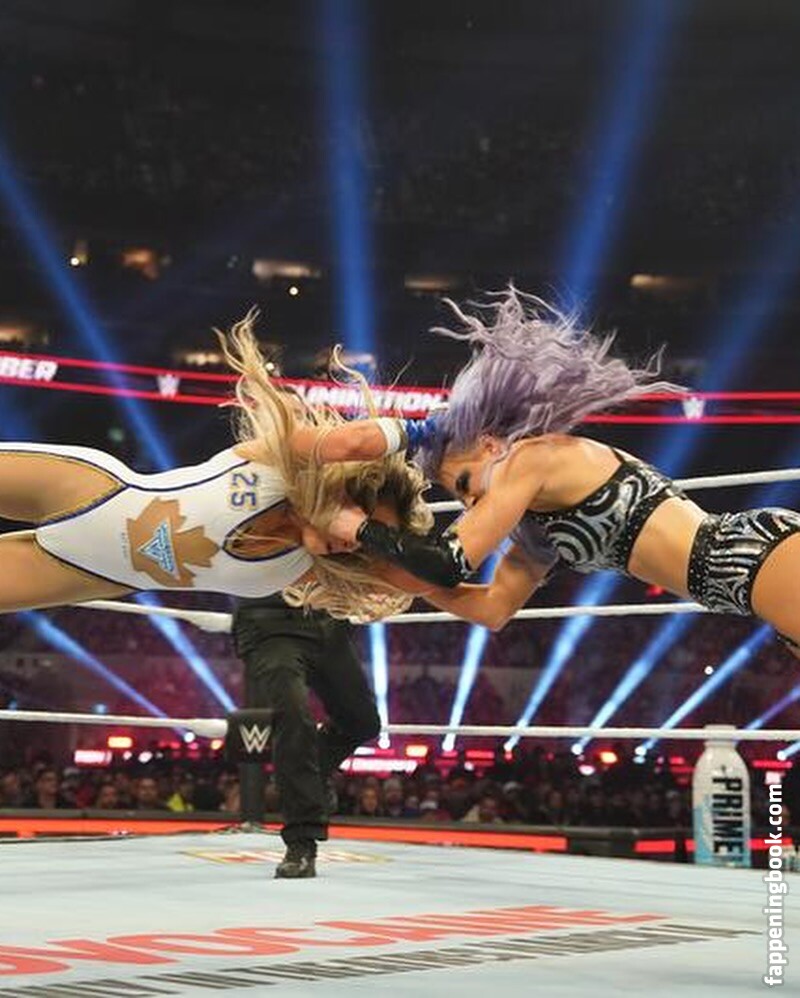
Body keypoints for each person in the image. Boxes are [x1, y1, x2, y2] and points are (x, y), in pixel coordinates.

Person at [328, 287, 800, 648]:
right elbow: (493, 609)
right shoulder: (541, 523)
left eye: (466, 482)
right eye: (461, 497)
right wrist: (383, 569)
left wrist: (361, 529)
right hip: (740, 584)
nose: (471, 503)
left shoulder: (532, 458)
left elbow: (449, 563)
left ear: (491, 444)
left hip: (750, 556)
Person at [0, 312, 432, 623]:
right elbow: (352, 441)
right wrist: (433, 429)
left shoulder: (302, 566)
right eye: (362, 521)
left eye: (365, 541)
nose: (354, 540)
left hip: (83, 572)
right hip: (88, 491)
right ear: (343, 490)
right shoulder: (280, 465)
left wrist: (373, 536)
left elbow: (428, 578)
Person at [233, 591, 381, 879]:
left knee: (362, 722)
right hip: (269, 624)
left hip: (326, 620)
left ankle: (309, 776)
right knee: (294, 719)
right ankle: (301, 842)